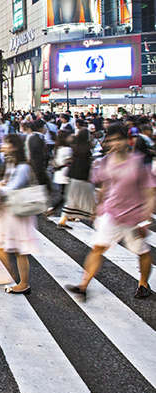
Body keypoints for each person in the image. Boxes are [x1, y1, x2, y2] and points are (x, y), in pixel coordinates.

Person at [67, 124, 156, 301]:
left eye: (118, 139)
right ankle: (83, 286)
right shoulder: (106, 161)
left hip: (133, 217)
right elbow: (103, 185)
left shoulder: (138, 162)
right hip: (111, 213)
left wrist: (145, 220)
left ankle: (143, 284)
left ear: (127, 141)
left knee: (142, 251)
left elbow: (150, 193)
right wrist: (97, 208)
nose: (114, 143)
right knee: (98, 248)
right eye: (111, 140)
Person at [0, 134, 39, 294]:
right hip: (9, 211)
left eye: (6, 144)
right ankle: (10, 275)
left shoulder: (22, 167)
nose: (3, 146)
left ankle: (22, 283)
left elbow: (11, 189)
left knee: (19, 249)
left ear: (14, 147)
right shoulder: (13, 163)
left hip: (16, 212)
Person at [58, 129, 93, 229]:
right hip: (83, 177)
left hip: (73, 175)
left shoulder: (76, 146)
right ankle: (97, 221)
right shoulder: (86, 149)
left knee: (72, 200)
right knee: (88, 201)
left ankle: (63, 220)